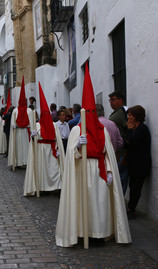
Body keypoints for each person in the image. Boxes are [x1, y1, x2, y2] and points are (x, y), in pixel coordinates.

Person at [55, 64, 131, 247]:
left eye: (91, 112)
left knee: (100, 203)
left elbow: (108, 154)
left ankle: (99, 233)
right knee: (83, 203)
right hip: (81, 172)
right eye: (86, 112)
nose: (89, 115)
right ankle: (82, 232)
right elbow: (71, 155)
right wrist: (77, 147)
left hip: (99, 171)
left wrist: (111, 170)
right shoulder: (76, 131)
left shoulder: (103, 131)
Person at [24, 83, 65, 196]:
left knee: (54, 169)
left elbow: (58, 139)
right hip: (41, 150)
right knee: (42, 170)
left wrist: (57, 148)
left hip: (51, 150)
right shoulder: (36, 125)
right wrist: (33, 136)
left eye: (48, 113)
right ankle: (41, 188)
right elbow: (33, 141)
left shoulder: (54, 125)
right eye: (44, 114)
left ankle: (56, 187)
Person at [125, 105, 152, 219]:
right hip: (133, 164)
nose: (128, 117)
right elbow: (127, 142)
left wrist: (130, 129)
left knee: (136, 188)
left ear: (136, 116)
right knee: (133, 186)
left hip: (140, 164)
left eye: (130, 115)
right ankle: (131, 207)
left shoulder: (142, 128)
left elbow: (131, 141)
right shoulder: (135, 128)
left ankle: (131, 209)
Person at [8, 77, 32, 168]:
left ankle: (23, 162)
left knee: (24, 147)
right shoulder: (18, 110)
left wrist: (16, 125)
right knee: (21, 148)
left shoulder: (20, 110)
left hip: (24, 132)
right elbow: (12, 123)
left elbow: (31, 123)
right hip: (21, 132)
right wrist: (14, 125)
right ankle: (19, 162)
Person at [108, 91, 129, 194]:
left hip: (122, 151)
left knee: (121, 176)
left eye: (113, 99)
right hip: (116, 151)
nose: (111, 102)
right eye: (110, 100)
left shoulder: (122, 112)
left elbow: (128, 129)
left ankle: (120, 199)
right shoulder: (116, 112)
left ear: (120, 100)